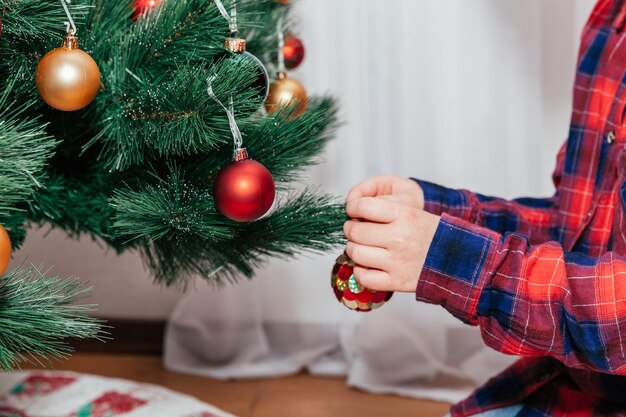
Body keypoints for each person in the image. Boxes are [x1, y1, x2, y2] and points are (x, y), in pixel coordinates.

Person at [344, 1, 626, 416]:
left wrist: (449, 258)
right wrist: (440, 213)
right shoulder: (610, 20)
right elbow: (579, 228)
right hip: (579, 385)